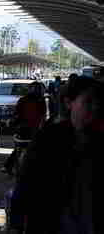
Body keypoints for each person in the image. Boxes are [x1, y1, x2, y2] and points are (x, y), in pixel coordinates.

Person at [16, 76, 102, 234]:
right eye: (88, 102)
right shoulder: (49, 139)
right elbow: (26, 183)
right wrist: (16, 223)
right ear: (69, 103)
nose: (95, 108)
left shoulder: (97, 142)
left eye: (99, 102)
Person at [1, 81, 47, 175]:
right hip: (30, 131)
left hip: (24, 131)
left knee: (19, 148)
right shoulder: (40, 100)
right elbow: (43, 116)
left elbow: (16, 115)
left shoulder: (25, 100)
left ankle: (8, 166)